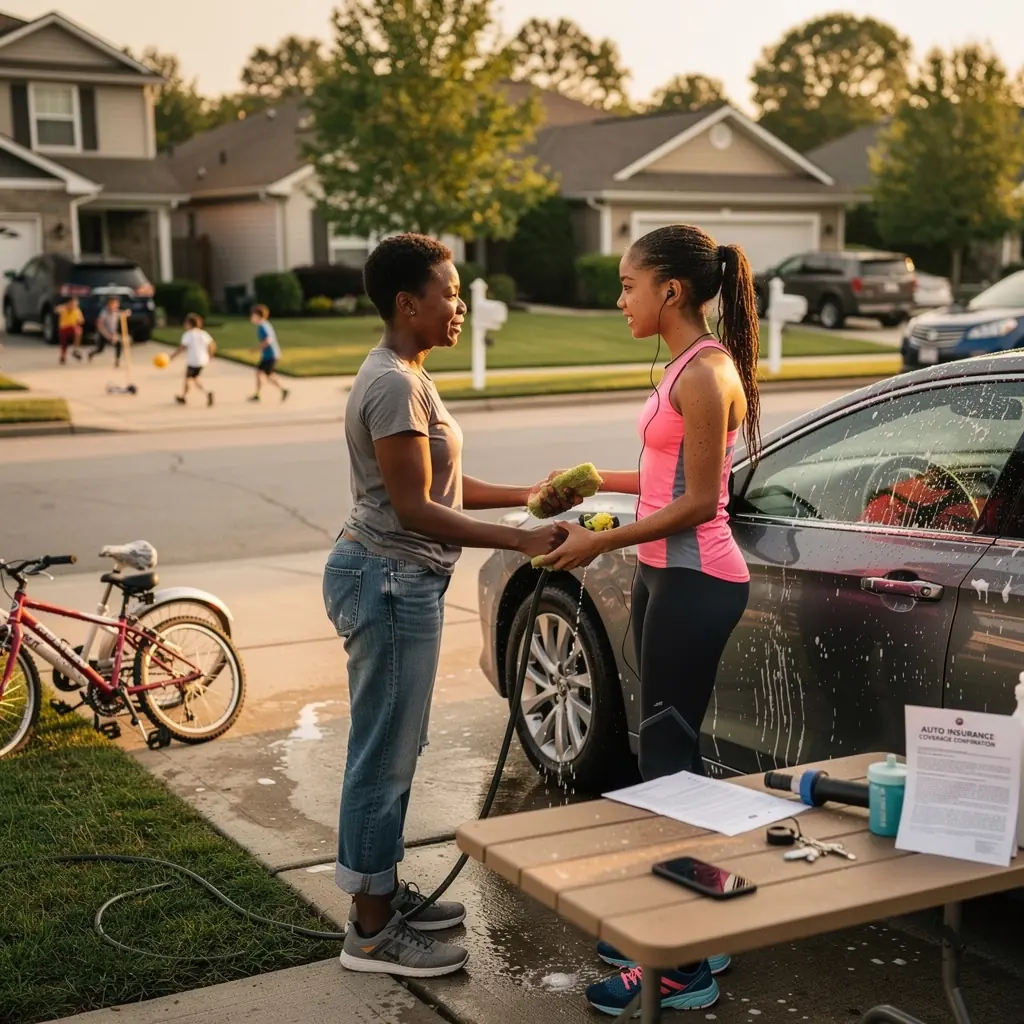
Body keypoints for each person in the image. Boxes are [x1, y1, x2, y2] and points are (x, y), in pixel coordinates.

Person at [323, 234, 572, 979]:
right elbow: (413, 511)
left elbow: (442, 487)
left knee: (398, 747)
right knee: (383, 756)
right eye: (450, 292)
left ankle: (382, 892)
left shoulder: (408, 376)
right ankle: (370, 932)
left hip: (398, 578)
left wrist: (534, 498)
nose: (459, 304)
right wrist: (520, 541)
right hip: (389, 577)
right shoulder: (394, 384)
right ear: (408, 303)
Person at [538, 224, 762, 1018]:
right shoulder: (679, 367)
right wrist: (590, 486)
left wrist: (596, 541)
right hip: (667, 577)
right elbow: (666, 472)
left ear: (671, 290)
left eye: (630, 285)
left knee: (666, 759)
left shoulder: (707, 373)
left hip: (700, 581)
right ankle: (708, 913)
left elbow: (700, 501)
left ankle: (683, 965)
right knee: (666, 751)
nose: (620, 298)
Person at [169, 312, 215, 406]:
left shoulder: (188, 335)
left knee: (187, 379)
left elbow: (182, 347)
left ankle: (185, 397)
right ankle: (206, 392)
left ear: (189, 324)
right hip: (202, 361)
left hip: (193, 361)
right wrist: (210, 355)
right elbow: (212, 344)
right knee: (194, 378)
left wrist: (172, 356)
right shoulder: (203, 333)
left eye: (186, 323)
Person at [248, 305, 289, 402]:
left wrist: (256, 349)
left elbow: (268, 340)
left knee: (267, 374)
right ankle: (258, 394)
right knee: (261, 372)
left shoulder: (263, 326)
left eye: (252, 315)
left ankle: (283, 390)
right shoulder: (264, 325)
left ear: (257, 316)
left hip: (270, 355)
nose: (251, 317)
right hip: (269, 355)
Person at [88, 296, 123, 367]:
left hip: (112, 333)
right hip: (103, 333)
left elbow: (121, 313)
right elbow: (100, 326)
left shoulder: (116, 312)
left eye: (116, 304)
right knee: (100, 349)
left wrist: (126, 314)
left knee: (119, 343)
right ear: (108, 304)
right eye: (113, 304)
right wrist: (108, 336)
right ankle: (91, 353)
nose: (115, 306)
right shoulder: (104, 313)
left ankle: (117, 360)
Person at [57, 296, 84, 364]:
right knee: (64, 343)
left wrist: (79, 321)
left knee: (78, 330)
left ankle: (75, 350)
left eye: (75, 303)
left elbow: (82, 320)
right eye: (72, 303)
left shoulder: (77, 311)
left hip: (72, 328)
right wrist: (64, 307)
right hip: (64, 329)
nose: (73, 305)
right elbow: (56, 309)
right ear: (68, 303)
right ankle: (63, 355)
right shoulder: (64, 308)